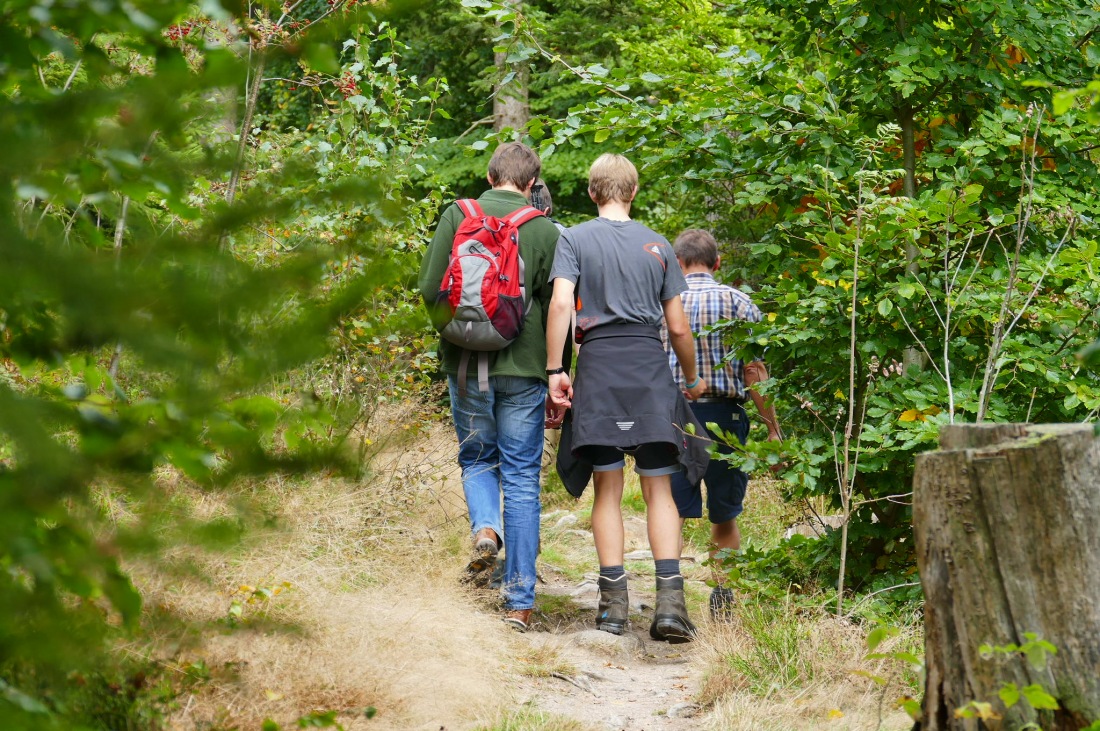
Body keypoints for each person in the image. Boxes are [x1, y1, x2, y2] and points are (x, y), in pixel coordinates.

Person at [545, 153, 710, 643]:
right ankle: (669, 609)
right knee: (660, 487)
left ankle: (613, 610)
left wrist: (556, 370)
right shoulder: (658, 244)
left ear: (593, 192)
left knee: (608, 488)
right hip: (647, 369)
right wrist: (691, 376)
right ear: (632, 192)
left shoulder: (572, 239)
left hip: (597, 367)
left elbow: (560, 303)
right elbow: (677, 327)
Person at [418, 142, 562, 632]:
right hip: (523, 371)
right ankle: (519, 600)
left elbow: (428, 287)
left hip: (464, 365)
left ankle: (485, 530)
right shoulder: (544, 230)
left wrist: (458, 333)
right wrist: (559, 371)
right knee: (522, 478)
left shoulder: (457, 214)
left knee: (478, 458)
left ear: (489, 173)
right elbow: (557, 305)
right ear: (532, 182)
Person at [660, 228, 783, 618]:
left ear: (676, 263)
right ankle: (724, 599)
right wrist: (772, 428)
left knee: (672, 512)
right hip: (727, 419)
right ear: (717, 263)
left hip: (676, 421)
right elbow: (754, 372)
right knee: (725, 514)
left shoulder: (663, 301)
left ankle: (671, 601)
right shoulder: (740, 303)